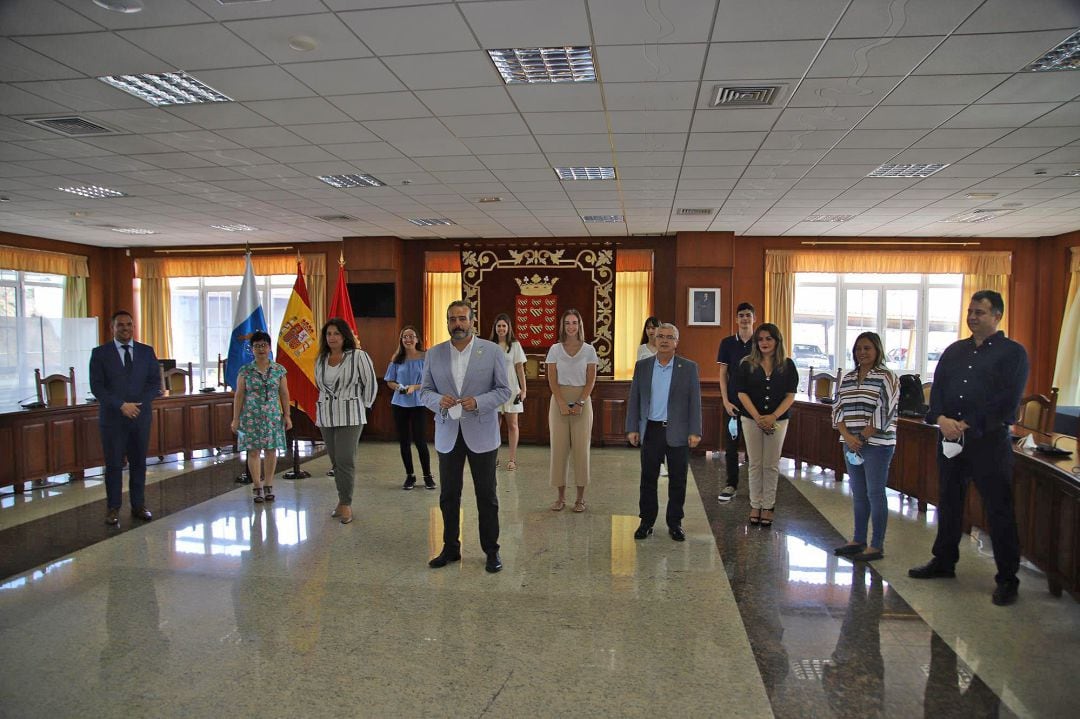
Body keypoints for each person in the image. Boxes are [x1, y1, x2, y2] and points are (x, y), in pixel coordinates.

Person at [909, 290, 1029, 606]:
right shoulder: (954, 351)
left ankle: (1007, 579)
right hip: (950, 439)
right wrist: (941, 418)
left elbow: (1008, 401)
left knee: (998, 510)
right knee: (948, 502)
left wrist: (968, 423)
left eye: (981, 312)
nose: (973, 317)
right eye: (971, 311)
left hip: (988, 442)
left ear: (997, 316)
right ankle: (944, 561)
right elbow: (938, 390)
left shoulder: (1012, 353)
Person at [421, 300, 511, 573]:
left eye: (462, 319)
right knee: (449, 494)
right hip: (448, 433)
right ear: (447, 322)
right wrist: (439, 400)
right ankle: (450, 548)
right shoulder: (433, 354)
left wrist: (479, 402)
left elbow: (504, 390)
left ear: (472, 321)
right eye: (452, 319)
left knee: (487, 495)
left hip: (482, 433)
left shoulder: (492, 351)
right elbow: (424, 391)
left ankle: (491, 551)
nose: (457, 324)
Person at [626, 323, 702, 542]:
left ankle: (675, 523)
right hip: (651, 429)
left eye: (670, 337)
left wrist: (695, 430)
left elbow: (694, 402)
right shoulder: (643, 366)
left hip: (677, 431)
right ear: (654, 339)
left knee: (678, 480)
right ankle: (646, 521)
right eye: (661, 336)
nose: (665, 340)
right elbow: (635, 399)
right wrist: (632, 427)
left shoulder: (688, 368)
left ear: (676, 342)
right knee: (648, 478)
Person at [89, 310, 162, 526]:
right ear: (112, 328)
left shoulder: (146, 352)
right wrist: (121, 405)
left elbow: (154, 384)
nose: (125, 329)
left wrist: (137, 405)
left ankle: (138, 505)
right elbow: (97, 387)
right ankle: (113, 508)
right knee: (113, 465)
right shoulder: (100, 353)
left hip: (140, 417)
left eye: (129, 325)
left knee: (139, 463)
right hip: (113, 419)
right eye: (120, 325)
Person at [831, 331, 899, 562]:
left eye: (867, 348)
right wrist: (847, 436)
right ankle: (858, 539)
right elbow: (837, 408)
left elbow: (885, 411)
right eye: (858, 348)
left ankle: (876, 545)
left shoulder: (887, 377)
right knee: (859, 494)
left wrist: (859, 437)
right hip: (850, 444)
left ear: (877, 350)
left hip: (877, 445)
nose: (862, 352)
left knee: (875, 493)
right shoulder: (848, 378)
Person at [314, 318, 377, 525]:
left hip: (350, 414)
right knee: (335, 462)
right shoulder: (321, 358)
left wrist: (364, 405)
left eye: (337, 334)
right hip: (326, 415)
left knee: (345, 459)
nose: (332, 337)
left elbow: (370, 383)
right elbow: (319, 385)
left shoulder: (358, 356)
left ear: (344, 336)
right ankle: (341, 500)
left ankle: (346, 503)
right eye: (329, 334)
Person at [736, 323, 799, 527]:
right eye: (760, 339)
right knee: (755, 463)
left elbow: (790, 395)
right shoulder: (747, 364)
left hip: (778, 420)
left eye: (768, 339)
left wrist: (772, 416)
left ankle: (768, 506)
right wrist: (757, 417)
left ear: (777, 341)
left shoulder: (788, 365)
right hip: (750, 419)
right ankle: (755, 504)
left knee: (770, 464)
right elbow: (741, 393)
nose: (764, 343)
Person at [230, 330, 292, 503]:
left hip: (273, 416)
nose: (261, 349)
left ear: (269, 347)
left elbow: (284, 394)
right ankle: (257, 485)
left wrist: (287, 415)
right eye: (257, 346)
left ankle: (269, 484)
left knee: (271, 450)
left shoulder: (279, 370)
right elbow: (239, 395)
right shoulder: (245, 371)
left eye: (264, 345)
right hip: (251, 416)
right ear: (252, 349)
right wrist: (235, 418)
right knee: (254, 451)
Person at [545, 308, 598, 513]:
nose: (571, 326)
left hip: (582, 401)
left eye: (574, 322)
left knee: (581, 450)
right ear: (563, 326)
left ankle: (580, 499)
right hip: (558, 400)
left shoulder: (589, 350)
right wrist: (560, 402)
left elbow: (591, 379)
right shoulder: (555, 349)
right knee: (559, 450)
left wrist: (580, 403)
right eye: (567, 323)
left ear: (580, 326)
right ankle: (560, 498)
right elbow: (551, 378)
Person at [384, 325, 434, 490]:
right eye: (405, 337)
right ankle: (410, 476)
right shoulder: (396, 358)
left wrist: (415, 387)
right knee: (404, 441)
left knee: (420, 441)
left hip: (418, 403)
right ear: (401, 340)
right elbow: (390, 381)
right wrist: (398, 387)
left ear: (417, 339)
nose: (408, 339)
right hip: (399, 404)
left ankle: (427, 476)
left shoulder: (425, 356)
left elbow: (430, 381)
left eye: (411, 336)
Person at [716, 302, 756, 502]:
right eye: (741, 315)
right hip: (733, 404)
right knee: (731, 447)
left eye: (748, 315)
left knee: (756, 448)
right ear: (736, 319)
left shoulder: (762, 341)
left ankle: (758, 490)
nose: (745, 319)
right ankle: (731, 484)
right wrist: (725, 401)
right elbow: (723, 374)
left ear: (754, 318)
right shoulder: (727, 343)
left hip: (757, 405)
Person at [490, 313, 527, 471]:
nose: (501, 328)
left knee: (512, 425)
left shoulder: (515, 345)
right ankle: (494, 458)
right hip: (494, 390)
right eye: (499, 326)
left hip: (512, 390)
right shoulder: (489, 346)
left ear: (508, 328)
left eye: (504, 325)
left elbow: (519, 368)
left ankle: (512, 459)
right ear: (495, 328)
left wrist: (523, 389)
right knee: (494, 425)